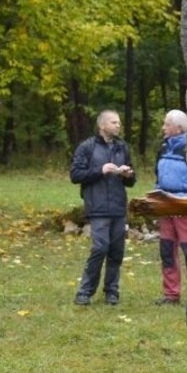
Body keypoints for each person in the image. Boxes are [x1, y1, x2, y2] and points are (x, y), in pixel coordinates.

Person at [71, 109, 135, 305]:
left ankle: (112, 292)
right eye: (114, 122)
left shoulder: (122, 147)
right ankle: (85, 292)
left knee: (117, 251)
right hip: (97, 207)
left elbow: (132, 181)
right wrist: (100, 170)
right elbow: (75, 175)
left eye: (119, 122)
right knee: (100, 248)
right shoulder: (87, 147)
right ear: (102, 125)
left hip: (118, 207)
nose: (118, 125)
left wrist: (127, 174)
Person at [153, 109, 187, 305]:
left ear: (178, 127)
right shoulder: (163, 146)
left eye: (166, 124)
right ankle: (171, 294)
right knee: (167, 250)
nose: (163, 127)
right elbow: (157, 174)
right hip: (165, 205)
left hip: (184, 206)